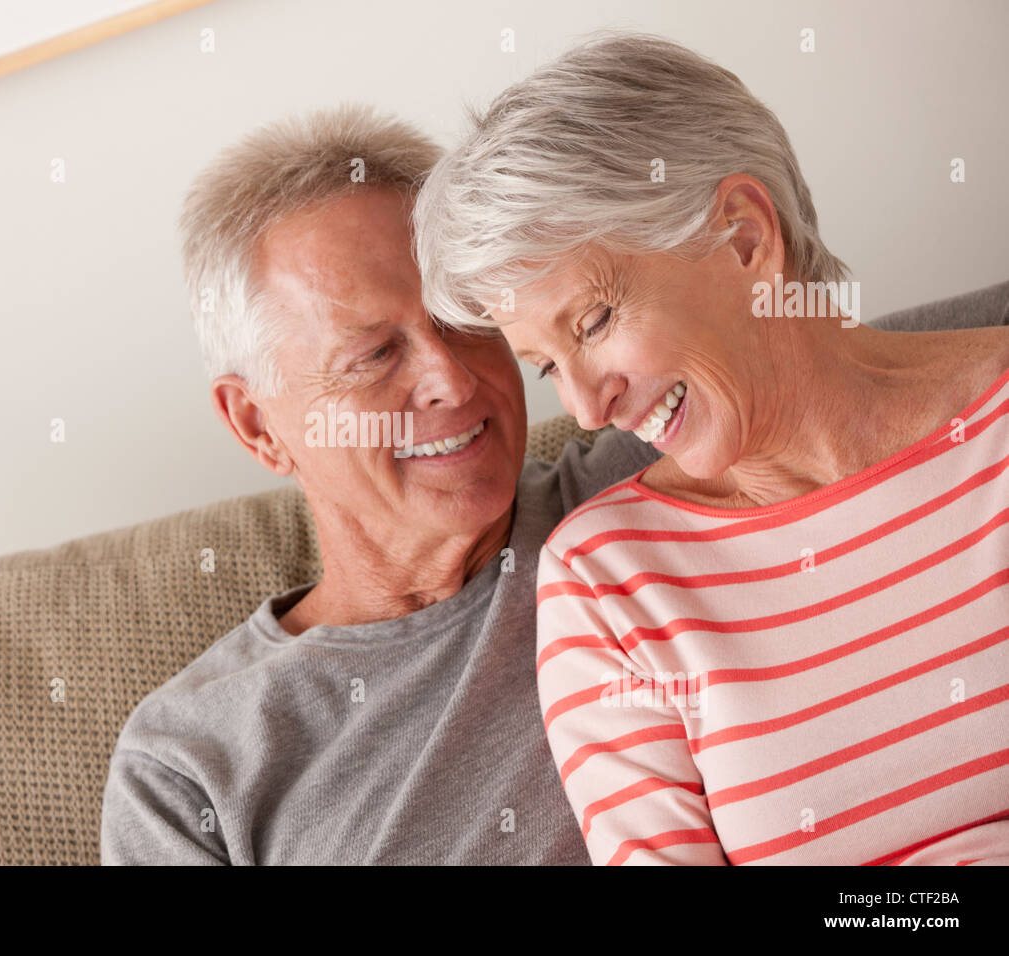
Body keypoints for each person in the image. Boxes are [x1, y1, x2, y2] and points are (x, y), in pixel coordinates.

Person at [101, 102, 1006, 865]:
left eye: (466, 326)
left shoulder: (660, 463)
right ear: (258, 425)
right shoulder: (192, 761)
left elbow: (878, 374)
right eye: (377, 354)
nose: (453, 382)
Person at [414, 33, 1009, 864]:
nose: (587, 406)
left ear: (744, 239)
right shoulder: (609, 582)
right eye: (548, 365)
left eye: (594, 322)